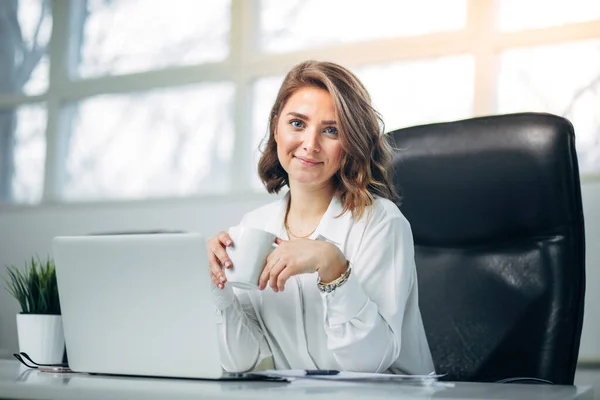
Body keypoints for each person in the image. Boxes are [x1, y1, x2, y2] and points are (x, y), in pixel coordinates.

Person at [206, 60, 434, 374]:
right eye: (297, 124)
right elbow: (243, 361)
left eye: (331, 130)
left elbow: (368, 364)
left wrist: (333, 267)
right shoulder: (254, 226)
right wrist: (216, 286)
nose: (310, 145)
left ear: (351, 143)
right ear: (276, 128)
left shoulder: (382, 223)